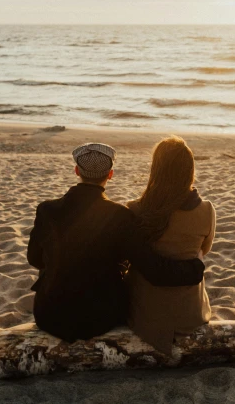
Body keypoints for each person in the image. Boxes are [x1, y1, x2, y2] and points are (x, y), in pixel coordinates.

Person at [27, 142, 205, 343]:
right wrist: (195, 268)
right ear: (110, 174)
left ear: (76, 171)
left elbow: (34, 258)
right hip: (99, 319)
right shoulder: (120, 216)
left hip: (48, 315)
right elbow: (154, 270)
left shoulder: (47, 210)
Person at [126, 136, 215, 355]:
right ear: (189, 171)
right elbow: (204, 250)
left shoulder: (135, 210)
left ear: (156, 169)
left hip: (145, 316)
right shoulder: (206, 210)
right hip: (190, 314)